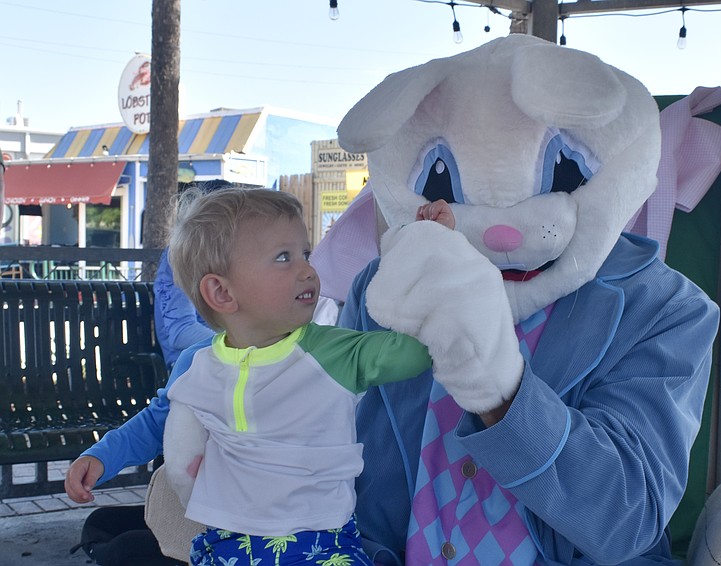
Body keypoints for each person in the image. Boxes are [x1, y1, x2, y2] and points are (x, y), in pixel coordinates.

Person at [66, 188, 453, 566]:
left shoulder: (334, 352)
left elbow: (415, 353)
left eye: (305, 252)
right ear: (221, 292)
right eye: (284, 257)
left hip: (320, 546)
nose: (307, 269)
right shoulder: (197, 364)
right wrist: (101, 456)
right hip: (225, 544)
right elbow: (156, 422)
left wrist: (434, 260)